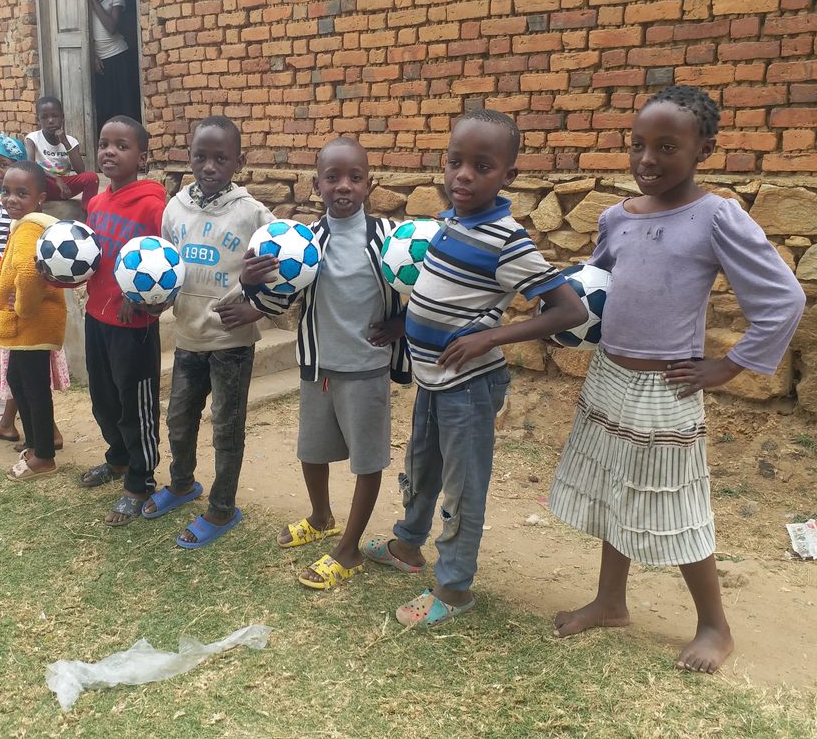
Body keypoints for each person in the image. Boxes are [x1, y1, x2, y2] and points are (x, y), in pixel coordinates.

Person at [547, 86, 806, 673]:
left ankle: (715, 625)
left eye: (667, 147)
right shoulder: (617, 217)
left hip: (667, 389)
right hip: (609, 377)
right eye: (638, 144)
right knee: (614, 487)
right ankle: (611, 601)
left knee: (678, 503)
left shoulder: (716, 216)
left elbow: (784, 299)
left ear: (703, 150)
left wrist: (729, 365)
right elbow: (594, 288)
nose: (647, 159)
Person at [371, 110, 587, 626]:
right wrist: (406, 324)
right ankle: (407, 545)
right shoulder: (451, 221)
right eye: (455, 162)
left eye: (481, 167)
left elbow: (569, 311)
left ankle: (454, 587)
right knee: (420, 467)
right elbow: (449, 292)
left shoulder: (507, 240)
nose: (463, 176)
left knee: (462, 486)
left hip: (468, 386)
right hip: (431, 377)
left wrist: (489, 337)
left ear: (508, 175)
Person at [242, 138, 411, 589]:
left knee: (367, 461)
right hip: (318, 366)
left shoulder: (390, 238)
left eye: (355, 177)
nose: (343, 186)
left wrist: (404, 323)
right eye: (332, 177)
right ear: (316, 185)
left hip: (366, 367)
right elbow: (281, 300)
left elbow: (428, 284)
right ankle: (321, 517)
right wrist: (251, 284)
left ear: (369, 183)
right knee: (311, 451)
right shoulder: (302, 241)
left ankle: (349, 550)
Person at [140, 116, 273, 548]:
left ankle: (222, 507)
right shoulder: (175, 208)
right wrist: (159, 300)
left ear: (239, 161)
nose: (209, 166)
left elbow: (286, 266)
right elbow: (167, 268)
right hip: (187, 337)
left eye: (221, 158)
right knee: (179, 419)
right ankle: (182, 484)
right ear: (190, 157)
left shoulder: (252, 213)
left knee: (226, 429)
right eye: (200, 156)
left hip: (230, 343)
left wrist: (256, 307)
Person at [76, 116, 167, 526]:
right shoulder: (96, 204)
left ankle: (140, 480)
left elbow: (167, 263)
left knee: (135, 406)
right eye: (103, 144)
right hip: (96, 317)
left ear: (142, 158)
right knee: (103, 398)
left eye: (121, 146)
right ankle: (117, 459)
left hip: (135, 328)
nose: (109, 151)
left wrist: (142, 298)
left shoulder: (153, 206)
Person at [0, 133, 70, 449]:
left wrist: (22, 307)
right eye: (6, 192)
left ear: (39, 198)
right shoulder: (22, 225)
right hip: (27, 326)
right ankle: (35, 442)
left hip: (30, 324)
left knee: (32, 387)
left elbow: (30, 273)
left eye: (21, 193)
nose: (11, 199)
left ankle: (42, 451)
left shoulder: (30, 228)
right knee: (19, 381)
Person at [88, 0, 141, 132]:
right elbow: (82, 32)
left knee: (125, 109)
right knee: (105, 110)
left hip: (118, 57)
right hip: (100, 63)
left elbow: (111, 27)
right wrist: (92, 55)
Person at [24, 96, 101, 204]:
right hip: (44, 184)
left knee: (92, 178)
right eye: (44, 117)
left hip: (65, 187)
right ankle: (34, 206)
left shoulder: (71, 141)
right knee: (28, 176)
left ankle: (88, 209)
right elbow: (30, 166)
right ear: (38, 120)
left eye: (55, 116)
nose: (50, 121)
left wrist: (65, 142)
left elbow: (80, 171)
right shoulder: (32, 138)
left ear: (62, 117)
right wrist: (55, 178)